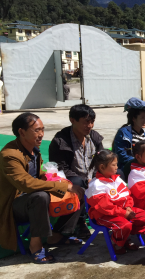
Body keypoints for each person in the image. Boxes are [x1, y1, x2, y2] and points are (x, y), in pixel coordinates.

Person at [0, 113, 83, 263]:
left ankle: (57, 235)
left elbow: (37, 175)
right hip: (14, 204)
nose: (41, 135)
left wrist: (62, 181)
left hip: (31, 196)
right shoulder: (9, 155)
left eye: (42, 130)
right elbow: (26, 183)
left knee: (78, 189)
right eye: (36, 130)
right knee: (41, 197)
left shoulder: (33, 150)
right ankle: (35, 245)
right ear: (21, 132)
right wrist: (60, 186)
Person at [49, 104, 104, 239]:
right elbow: (61, 169)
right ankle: (79, 222)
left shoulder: (94, 137)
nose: (90, 125)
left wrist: (98, 175)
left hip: (93, 176)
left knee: (117, 173)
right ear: (72, 120)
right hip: (72, 179)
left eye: (92, 122)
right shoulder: (60, 141)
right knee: (78, 183)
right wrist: (86, 180)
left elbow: (103, 160)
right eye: (86, 122)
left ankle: (109, 215)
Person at [85, 150, 145, 255]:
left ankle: (124, 237)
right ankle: (117, 243)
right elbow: (105, 207)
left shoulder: (117, 179)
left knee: (144, 216)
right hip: (103, 215)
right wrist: (124, 213)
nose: (117, 167)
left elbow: (127, 194)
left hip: (122, 210)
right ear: (102, 167)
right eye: (114, 165)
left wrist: (128, 207)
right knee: (124, 226)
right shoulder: (96, 185)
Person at [113, 97, 145, 174]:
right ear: (133, 119)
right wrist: (136, 162)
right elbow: (120, 154)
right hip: (127, 168)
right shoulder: (123, 133)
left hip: (143, 166)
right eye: (142, 118)